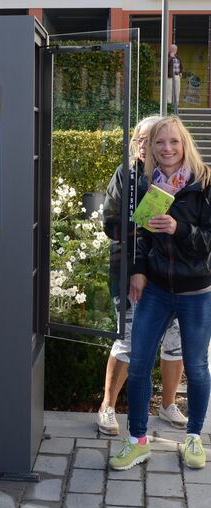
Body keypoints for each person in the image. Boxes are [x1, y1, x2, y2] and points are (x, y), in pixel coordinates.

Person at [109, 116, 211, 471]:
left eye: (173, 142)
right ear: (149, 148)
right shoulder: (145, 182)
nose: (166, 149)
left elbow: (207, 242)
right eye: (158, 143)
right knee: (138, 365)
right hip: (154, 288)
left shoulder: (204, 182)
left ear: (185, 144)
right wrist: (138, 270)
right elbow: (137, 234)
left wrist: (179, 228)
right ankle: (137, 440)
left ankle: (194, 439)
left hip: (195, 290)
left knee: (197, 368)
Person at [98, 116, 187, 436]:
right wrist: (144, 221)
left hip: (170, 274)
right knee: (128, 341)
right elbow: (109, 223)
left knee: (175, 342)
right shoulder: (126, 173)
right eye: (143, 139)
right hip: (129, 270)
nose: (147, 146)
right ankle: (107, 406)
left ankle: (167, 404)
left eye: (154, 139)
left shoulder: (175, 175)